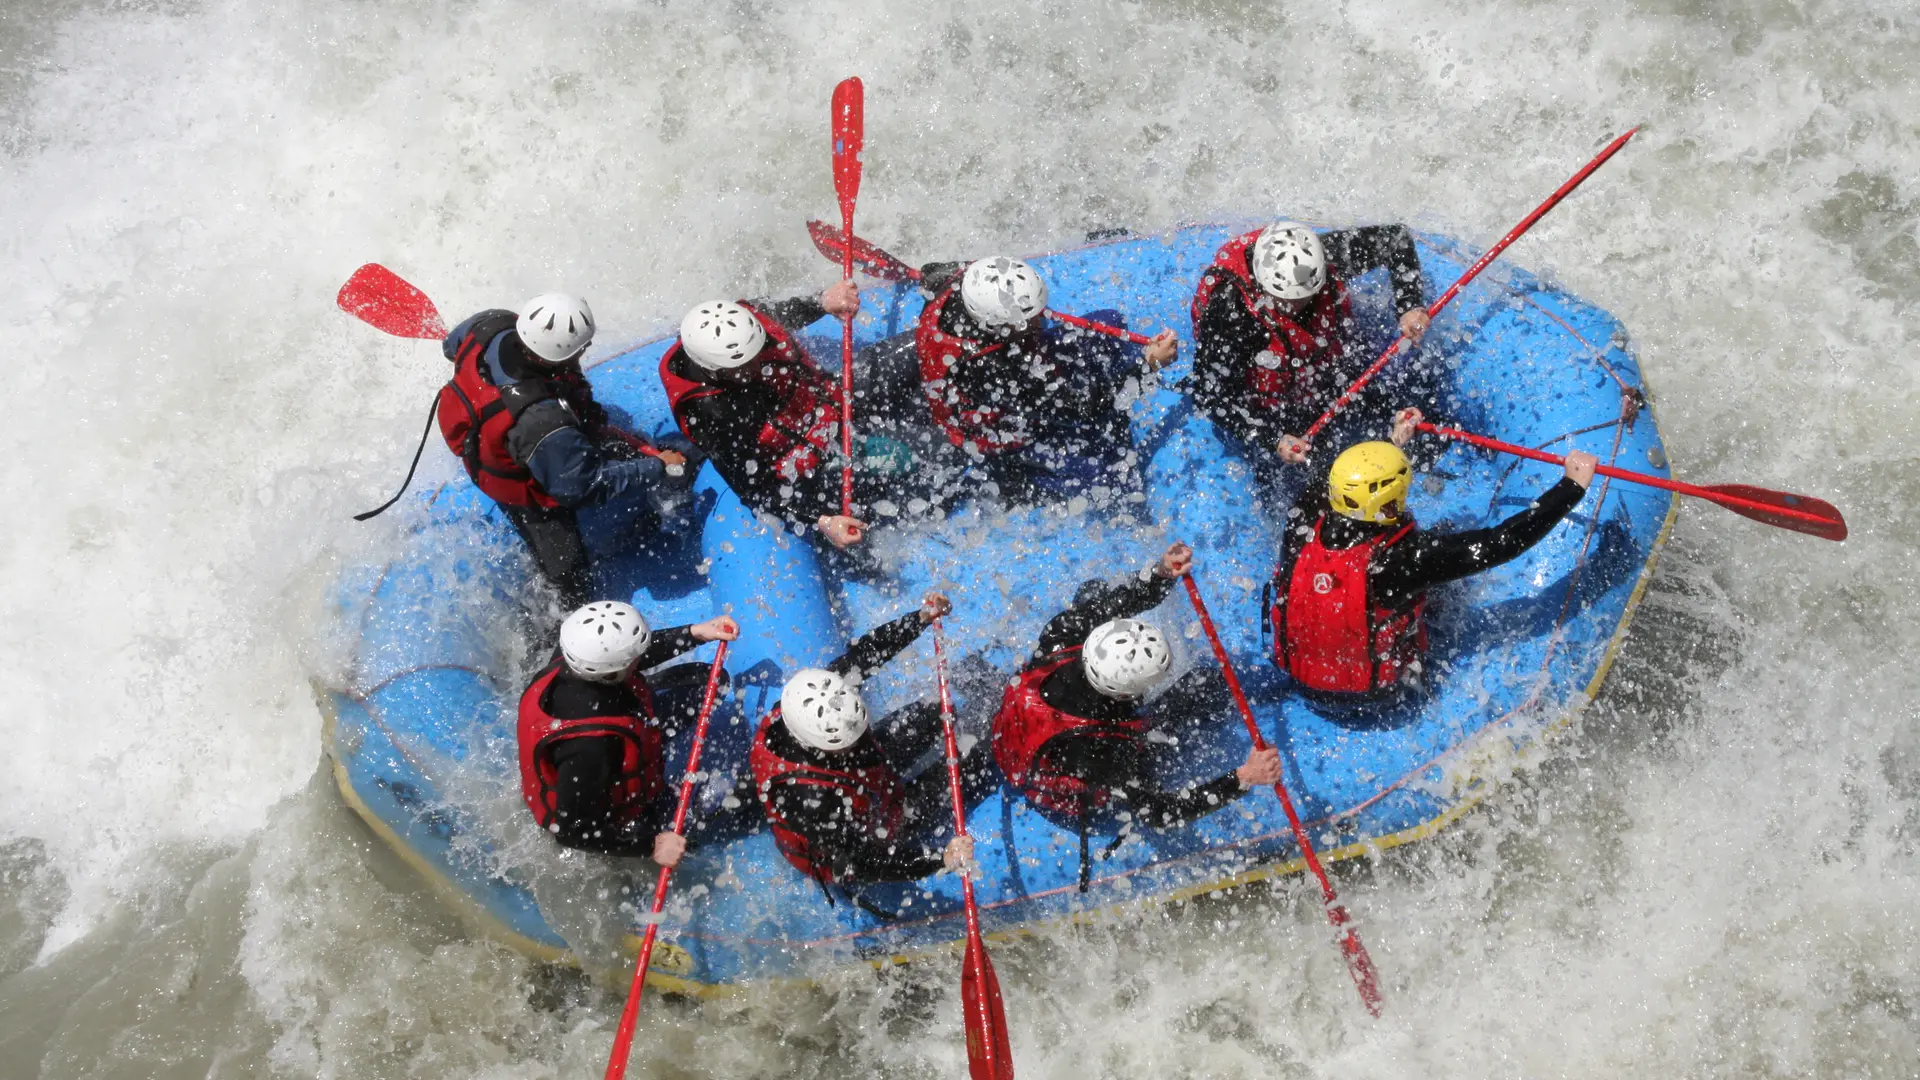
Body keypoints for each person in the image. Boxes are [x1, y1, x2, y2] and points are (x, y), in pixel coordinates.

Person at [991, 541, 1283, 886]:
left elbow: (1119, 602)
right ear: (1125, 693)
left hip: (1020, 726)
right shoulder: (1101, 750)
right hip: (1062, 776)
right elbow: (1160, 813)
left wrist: (1161, 573)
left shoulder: (1064, 631)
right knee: (1200, 688)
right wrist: (1243, 777)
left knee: (1095, 596)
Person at [1269, 412, 1598, 697]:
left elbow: (1347, 478)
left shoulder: (1306, 511)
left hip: (1299, 680)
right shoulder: (1404, 558)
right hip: (1371, 696)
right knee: (1446, 583)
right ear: (1390, 500)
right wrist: (1571, 487)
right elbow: (1501, 543)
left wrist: (1394, 440)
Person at [440, 294, 702, 606]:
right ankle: (555, 624)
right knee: (569, 578)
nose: (586, 351)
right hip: (522, 483)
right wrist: (659, 467)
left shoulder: (490, 324)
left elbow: (450, 347)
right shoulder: (544, 421)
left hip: (520, 435)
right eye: (582, 348)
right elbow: (582, 487)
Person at [861, 255, 1178, 511]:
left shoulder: (958, 281)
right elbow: (1082, 409)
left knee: (1110, 321)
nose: (1041, 319)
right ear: (995, 327)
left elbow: (930, 272)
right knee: (1112, 482)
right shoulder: (994, 368)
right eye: (1031, 318)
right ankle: (1020, 486)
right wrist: (1146, 366)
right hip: (994, 431)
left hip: (984, 380)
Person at [749, 592, 995, 895]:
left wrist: (919, 619)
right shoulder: (810, 802)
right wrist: (938, 860)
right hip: (866, 829)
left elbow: (867, 653)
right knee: (975, 764)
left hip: (861, 777)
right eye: (846, 743)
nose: (857, 742)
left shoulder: (821, 696)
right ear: (815, 743)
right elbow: (859, 864)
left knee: (935, 712)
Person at [1188, 221, 1432, 481]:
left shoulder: (1318, 260)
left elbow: (1395, 238)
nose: (1299, 306)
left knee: (1385, 400)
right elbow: (1209, 394)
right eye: (1288, 301)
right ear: (1263, 286)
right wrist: (1273, 439)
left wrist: (1409, 305)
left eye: (1305, 296)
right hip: (1269, 395)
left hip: (1324, 364)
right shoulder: (1231, 312)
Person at [659, 283, 887, 552]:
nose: (756, 366)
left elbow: (783, 312)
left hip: (828, 402)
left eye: (756, 354)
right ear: (714, 370)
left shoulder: (745, 323)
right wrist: (822, 520)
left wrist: (822, 302)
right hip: (808, 465)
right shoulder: (712, 415)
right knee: (906, 457)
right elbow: (755, 490)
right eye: (742, 368)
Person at [516, 601, 739, 863]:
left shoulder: (575, 655)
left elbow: (625, 655)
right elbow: (572, 832)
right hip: (611, 812)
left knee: (710, 681)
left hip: (619, 727)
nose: (639, 658)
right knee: (723, 803)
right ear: (614, 672)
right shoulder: (590, 748)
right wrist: (652, 847)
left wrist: (693, 633)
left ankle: (646, 748)